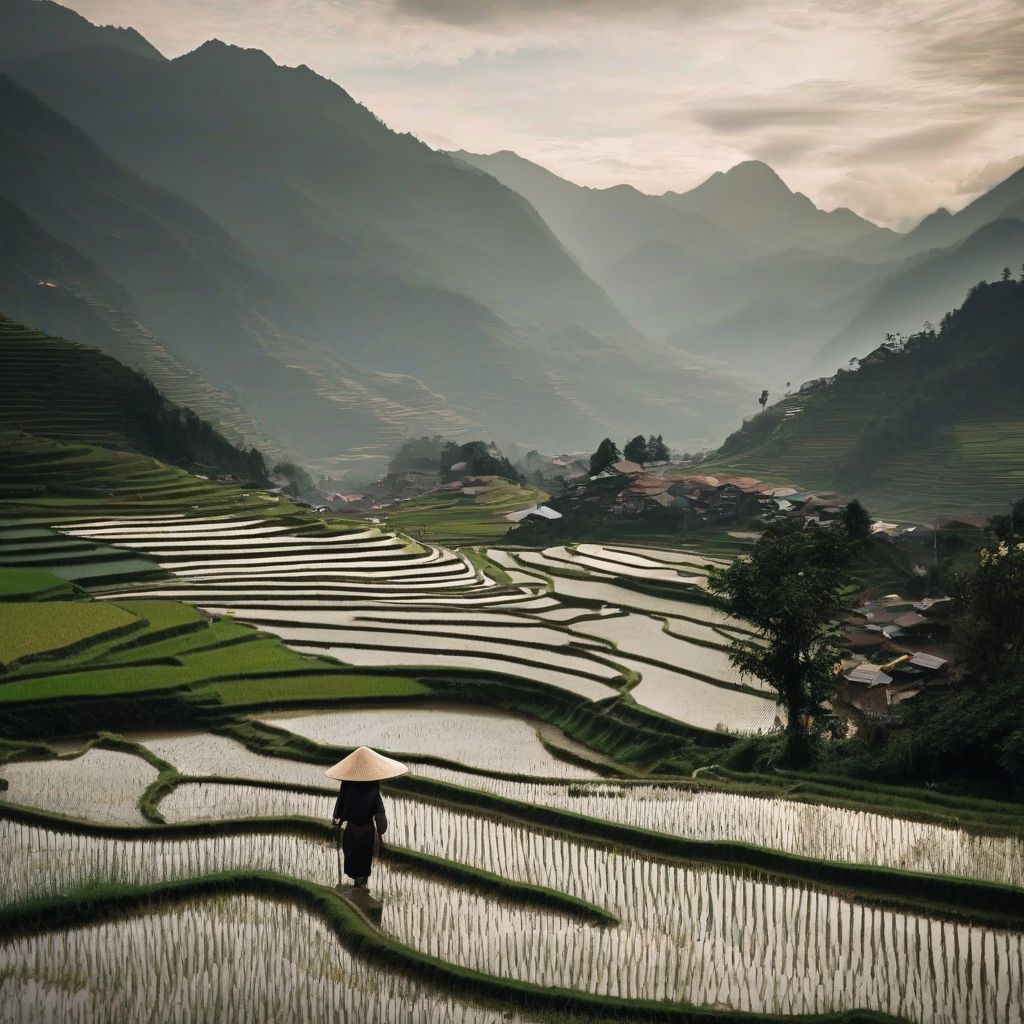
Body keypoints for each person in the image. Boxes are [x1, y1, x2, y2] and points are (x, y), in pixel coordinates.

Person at [325, 745, 408, 890]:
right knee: (363, 859)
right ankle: (360, 884)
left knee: (352, 856)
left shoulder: (348, 785)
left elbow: (341, 805)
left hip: (351, 829)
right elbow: (379, 814)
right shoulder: (373, 789)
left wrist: (338, 820)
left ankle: (358, 883)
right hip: (366, 830)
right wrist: (381, 832)